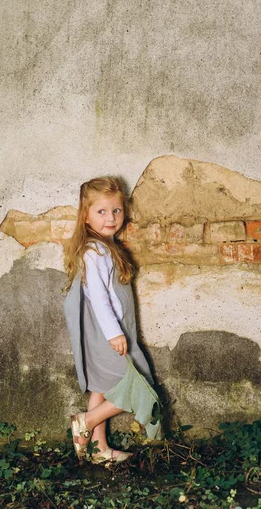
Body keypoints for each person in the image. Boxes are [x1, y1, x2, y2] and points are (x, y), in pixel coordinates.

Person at [63, 177, 161, 465]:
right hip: (110, 336)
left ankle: (98, 448)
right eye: (101, 212)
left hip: (110, 334)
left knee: (101, 387)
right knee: (137, 384)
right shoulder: (95, 251)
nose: (111, 218)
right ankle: (86, 420)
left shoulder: (105, 247)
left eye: (116, 210)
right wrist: (114, 334)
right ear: (86, 214)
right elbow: (99, 299)